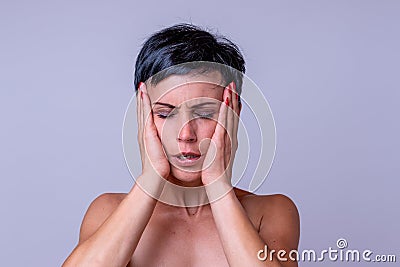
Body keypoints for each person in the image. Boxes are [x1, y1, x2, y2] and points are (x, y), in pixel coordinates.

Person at [63, 23, 300, 267]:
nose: (185, 134)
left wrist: (218, 186)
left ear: (234, 112)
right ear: (143, 115)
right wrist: (149, 180)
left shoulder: (269, 212)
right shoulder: (108, 211)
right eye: (165, 114)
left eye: (205, 113)